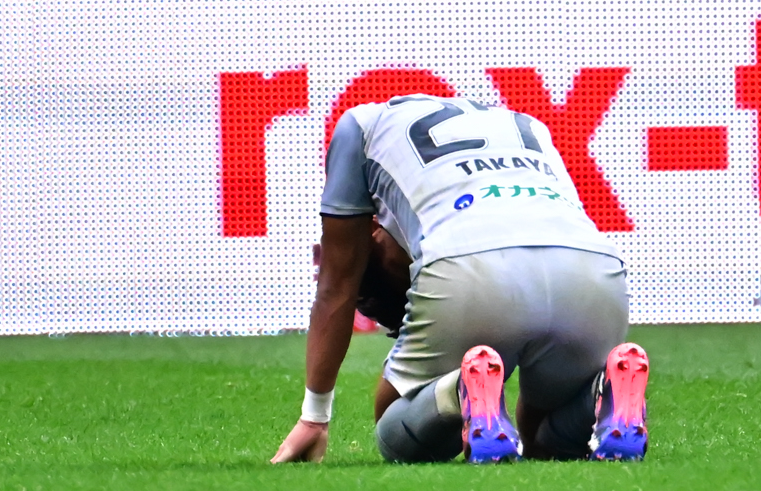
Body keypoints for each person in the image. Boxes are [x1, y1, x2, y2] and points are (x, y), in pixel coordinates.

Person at [270, 93, 649, 465]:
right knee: (541, 436)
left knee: (393, 426)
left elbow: (337, 283)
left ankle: (460, 391)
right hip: (594, 268)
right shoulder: (526, 122)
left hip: (468, 266)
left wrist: (314, 415)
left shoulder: (358, 125)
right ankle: (602, 393)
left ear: (374, 228)